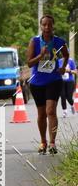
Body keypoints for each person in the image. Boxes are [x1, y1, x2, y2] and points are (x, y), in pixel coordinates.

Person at [26, 15, 69, 154]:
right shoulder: (34, 41)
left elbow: (66, 55)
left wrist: (63, 67)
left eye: (49, 24)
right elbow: (29, 63)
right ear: (40, 26)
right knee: (41, 114)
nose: (47, 27)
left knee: (50, 111)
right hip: (37, 82)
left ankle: (52, 143)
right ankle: (43, 141)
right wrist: (40, 55)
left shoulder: (59, 41)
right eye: (44, 24)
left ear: (53, 26)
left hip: (54, 80)